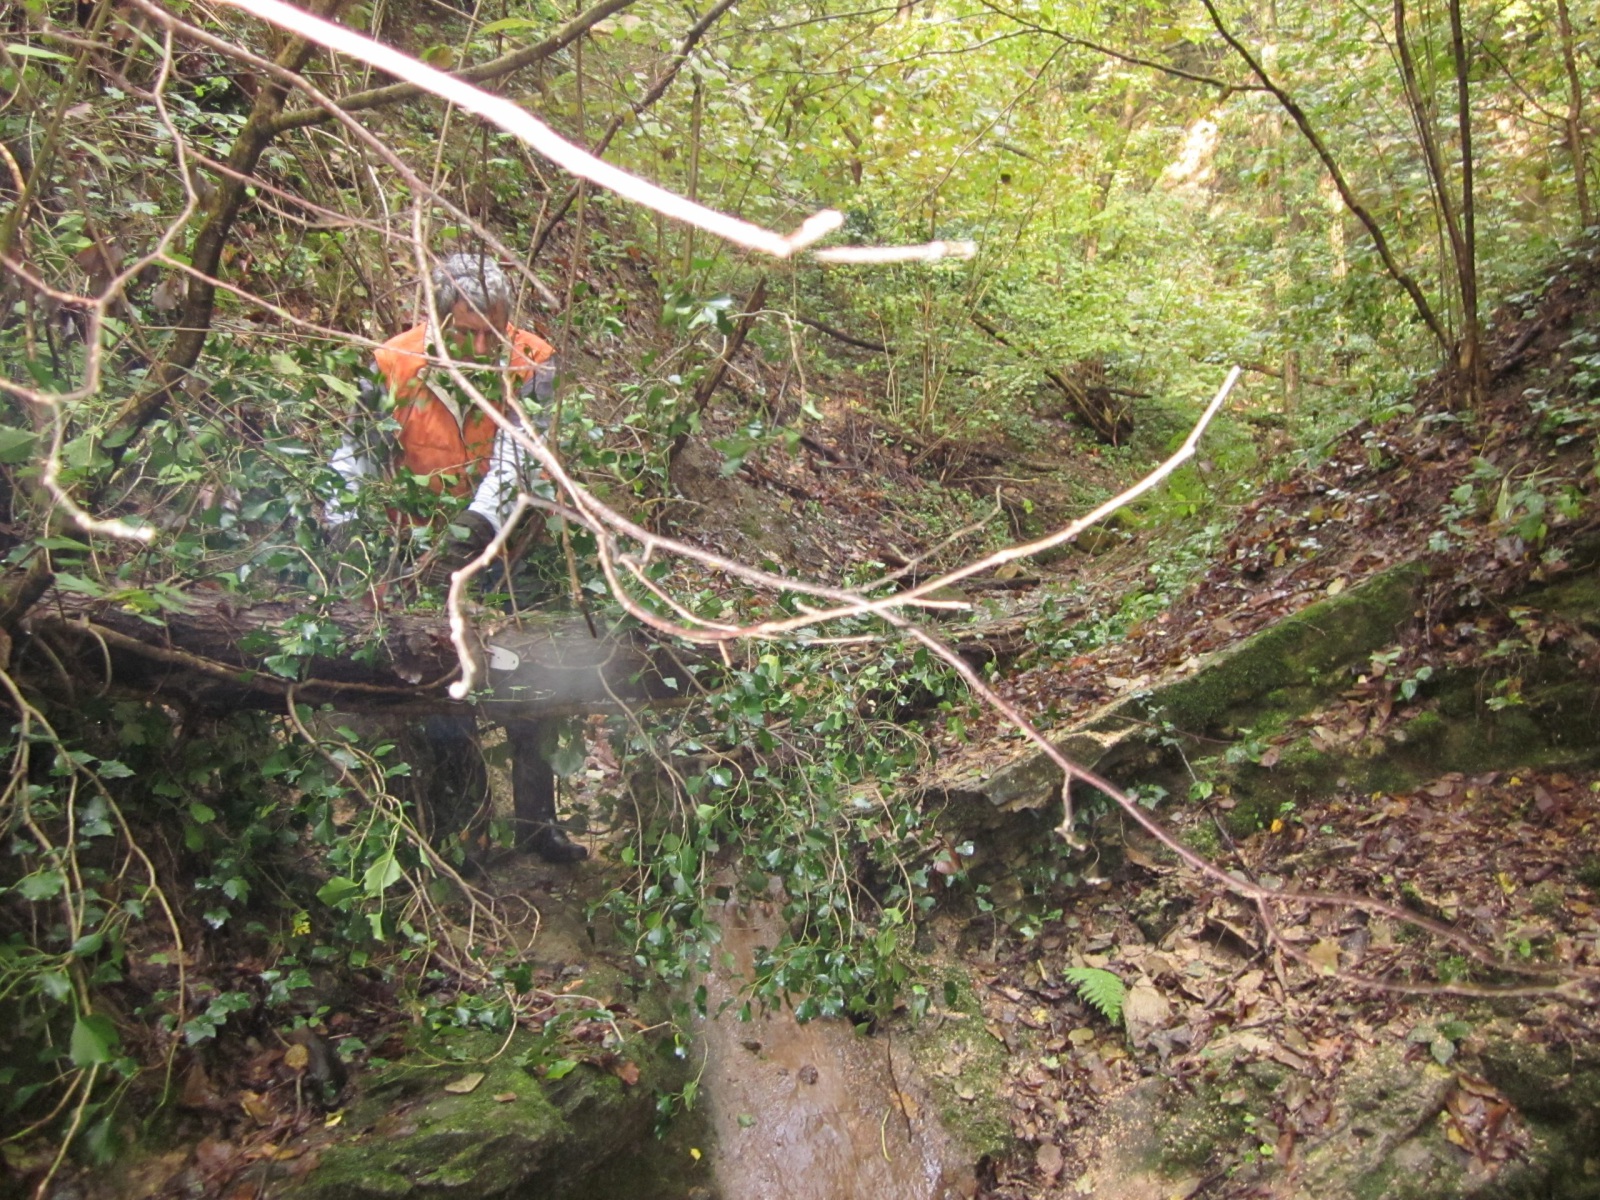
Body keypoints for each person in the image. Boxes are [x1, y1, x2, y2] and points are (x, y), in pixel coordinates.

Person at [324, 252, 587, 864]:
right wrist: (343, 524)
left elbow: (521, 455)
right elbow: (354, 452)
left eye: (492, 330)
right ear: (438, 321)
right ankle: (467, 830)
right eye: (467, 331)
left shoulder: (533, 361)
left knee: (534, 682)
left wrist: (476, 526)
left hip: (511, 547)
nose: (481, 345)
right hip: (415, 551)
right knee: (447, 688)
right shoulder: (392, 362)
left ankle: (537, 824)